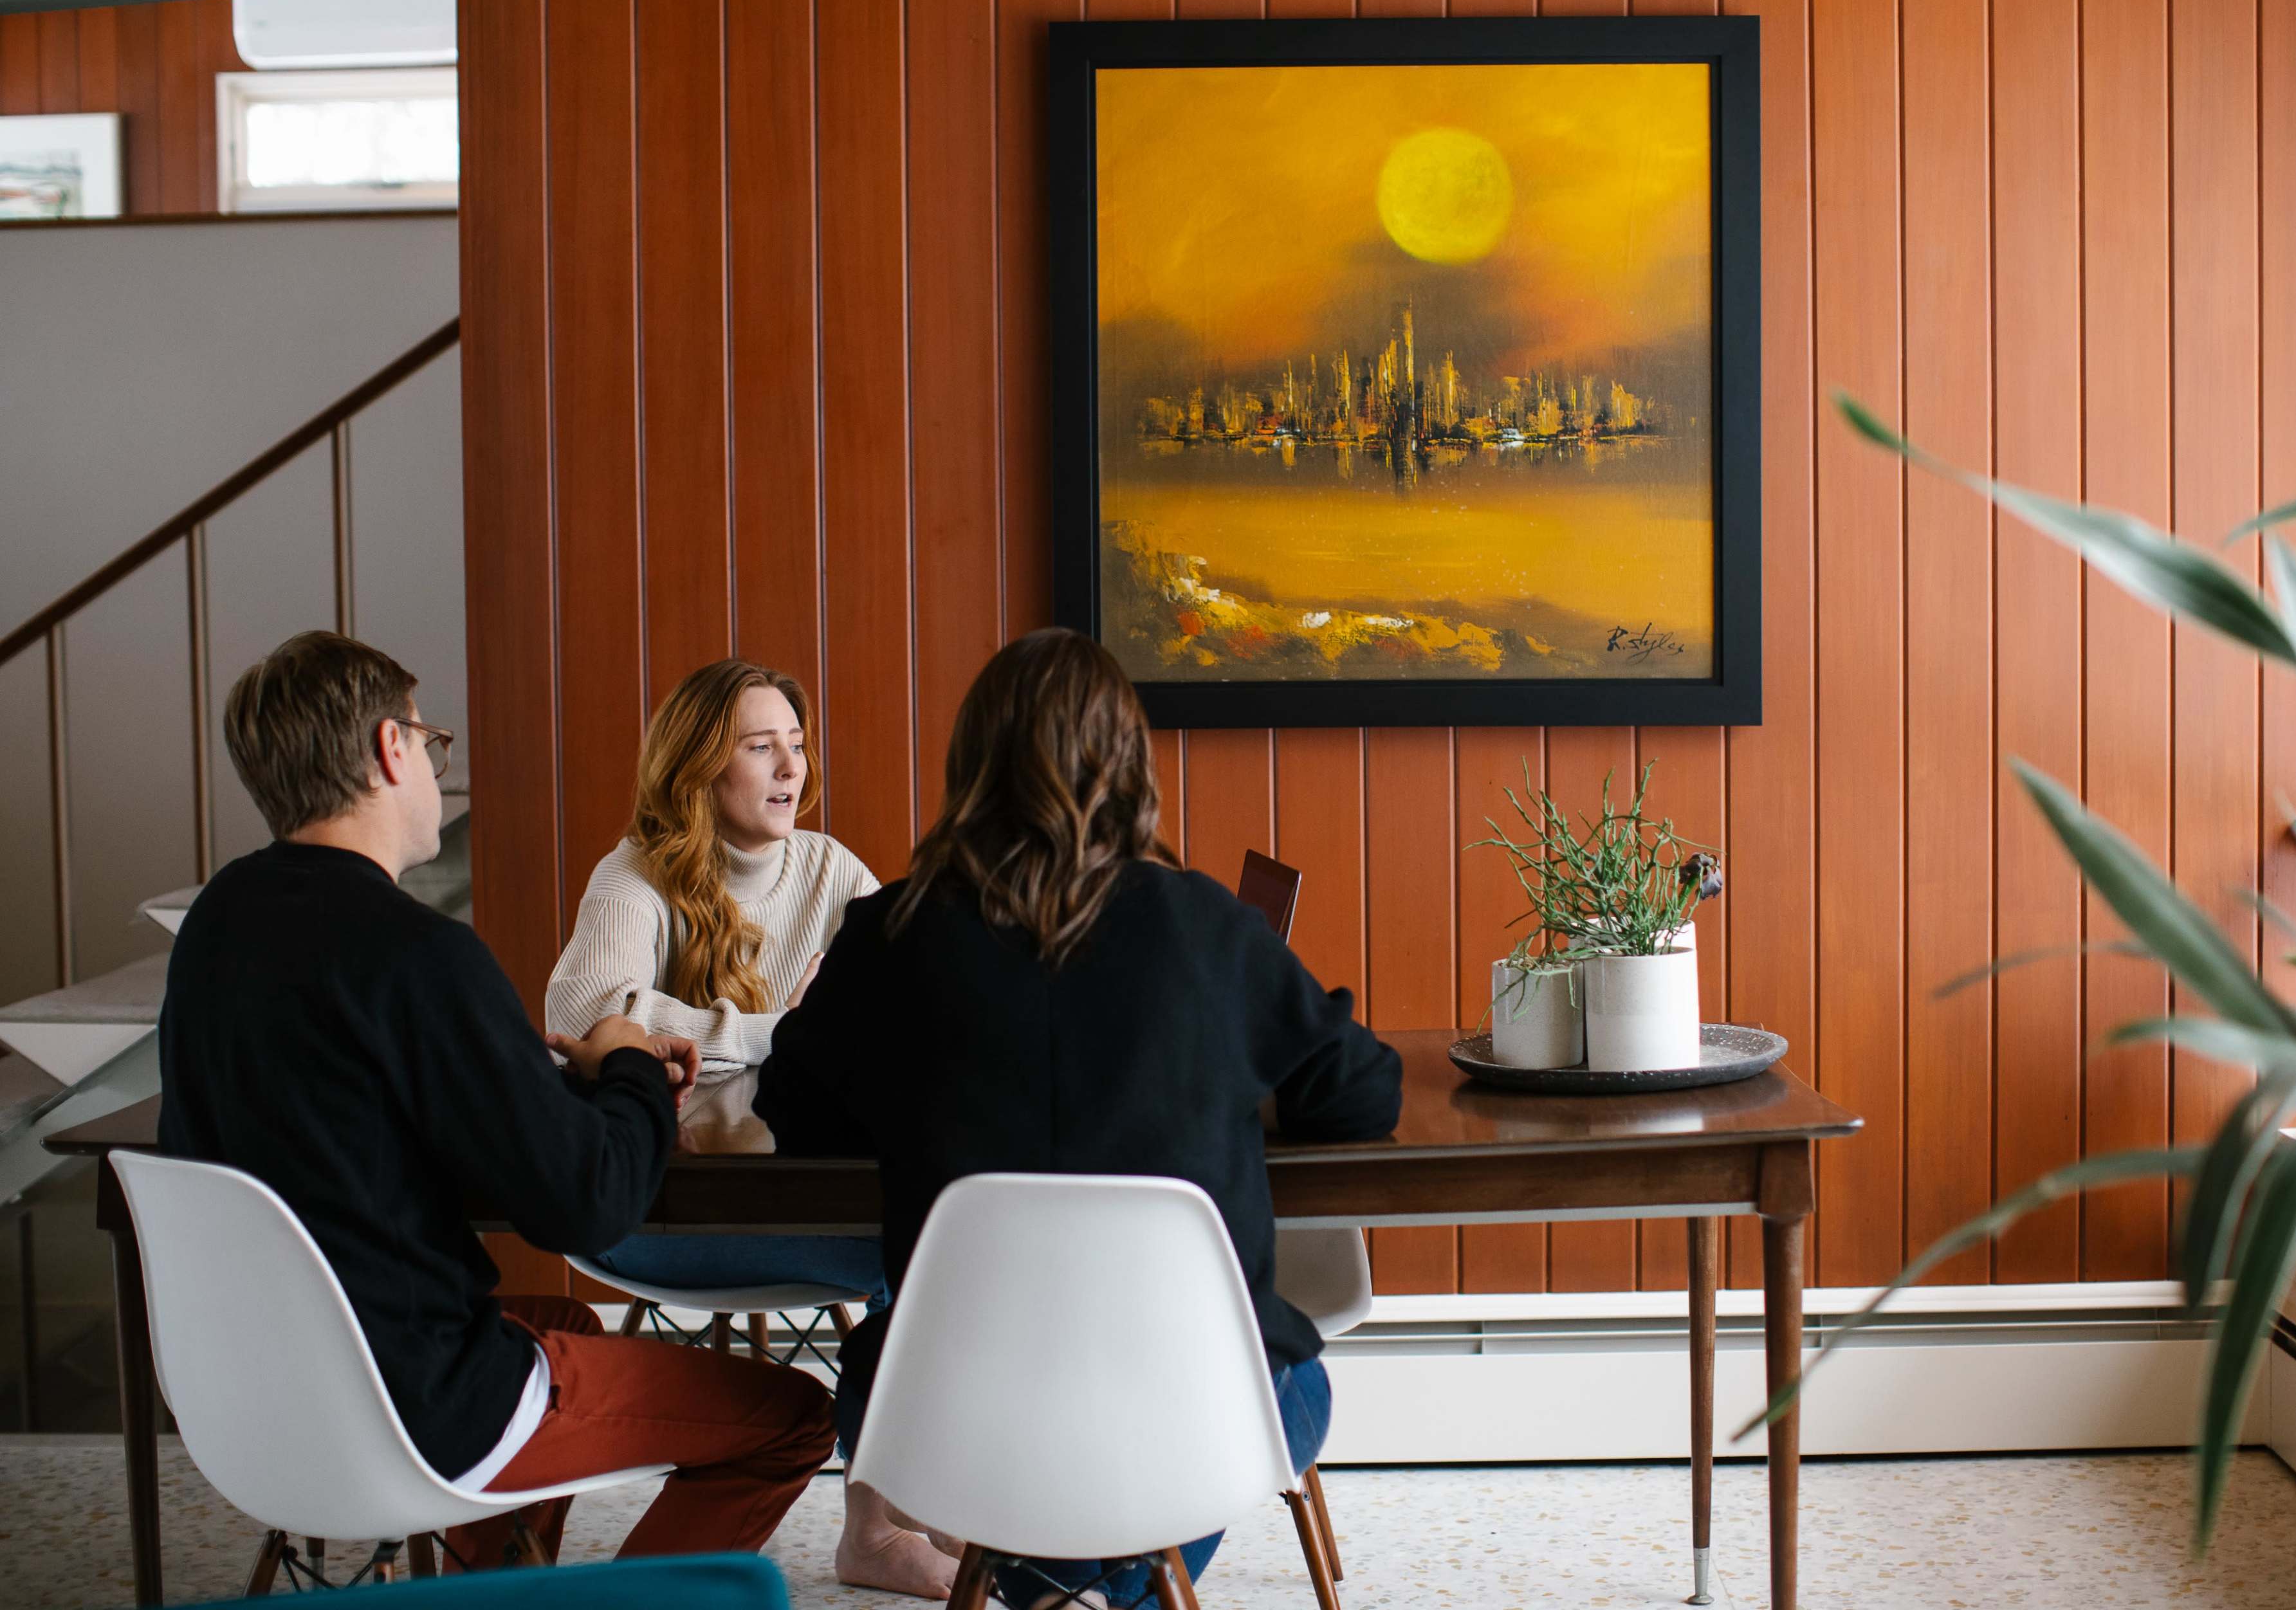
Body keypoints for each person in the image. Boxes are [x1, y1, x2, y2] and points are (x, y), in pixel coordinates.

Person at [755, 627, 1402, 1610]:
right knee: (1291, 1391)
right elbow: (1365, 1095)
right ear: (1130, 764)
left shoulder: (886, 934)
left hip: (942, 1424)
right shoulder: (1211, 931)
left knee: (941, 1417)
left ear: (970, 766)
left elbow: (790, 1113)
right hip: (1193, 1418)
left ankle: (1060, 1595)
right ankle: (1098, 1597)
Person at [157, 631, 834, 1571]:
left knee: (559, 1325)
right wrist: (631, 1066)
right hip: (421, 1397)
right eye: (433, 745)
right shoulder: (416, 955)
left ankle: (500, 1591)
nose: (439, 770)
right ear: (393, 749)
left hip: (250, 1398)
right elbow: (587, 1202)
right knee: (794, 1416)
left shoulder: (216, 927)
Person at [543, 657, 948, 1595]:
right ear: (698, 767)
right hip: (671, 1212)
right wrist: (784, 1032)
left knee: (930, 1226)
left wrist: (695, 1033)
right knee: (913, 1236)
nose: (788, 769)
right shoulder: (634, 874)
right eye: (759, 747)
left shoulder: (829, 867)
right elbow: (590, 1010)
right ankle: (886, 1527)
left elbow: (908, 1009)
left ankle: (898, 1513)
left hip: (797, 1186)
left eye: (796, 745)